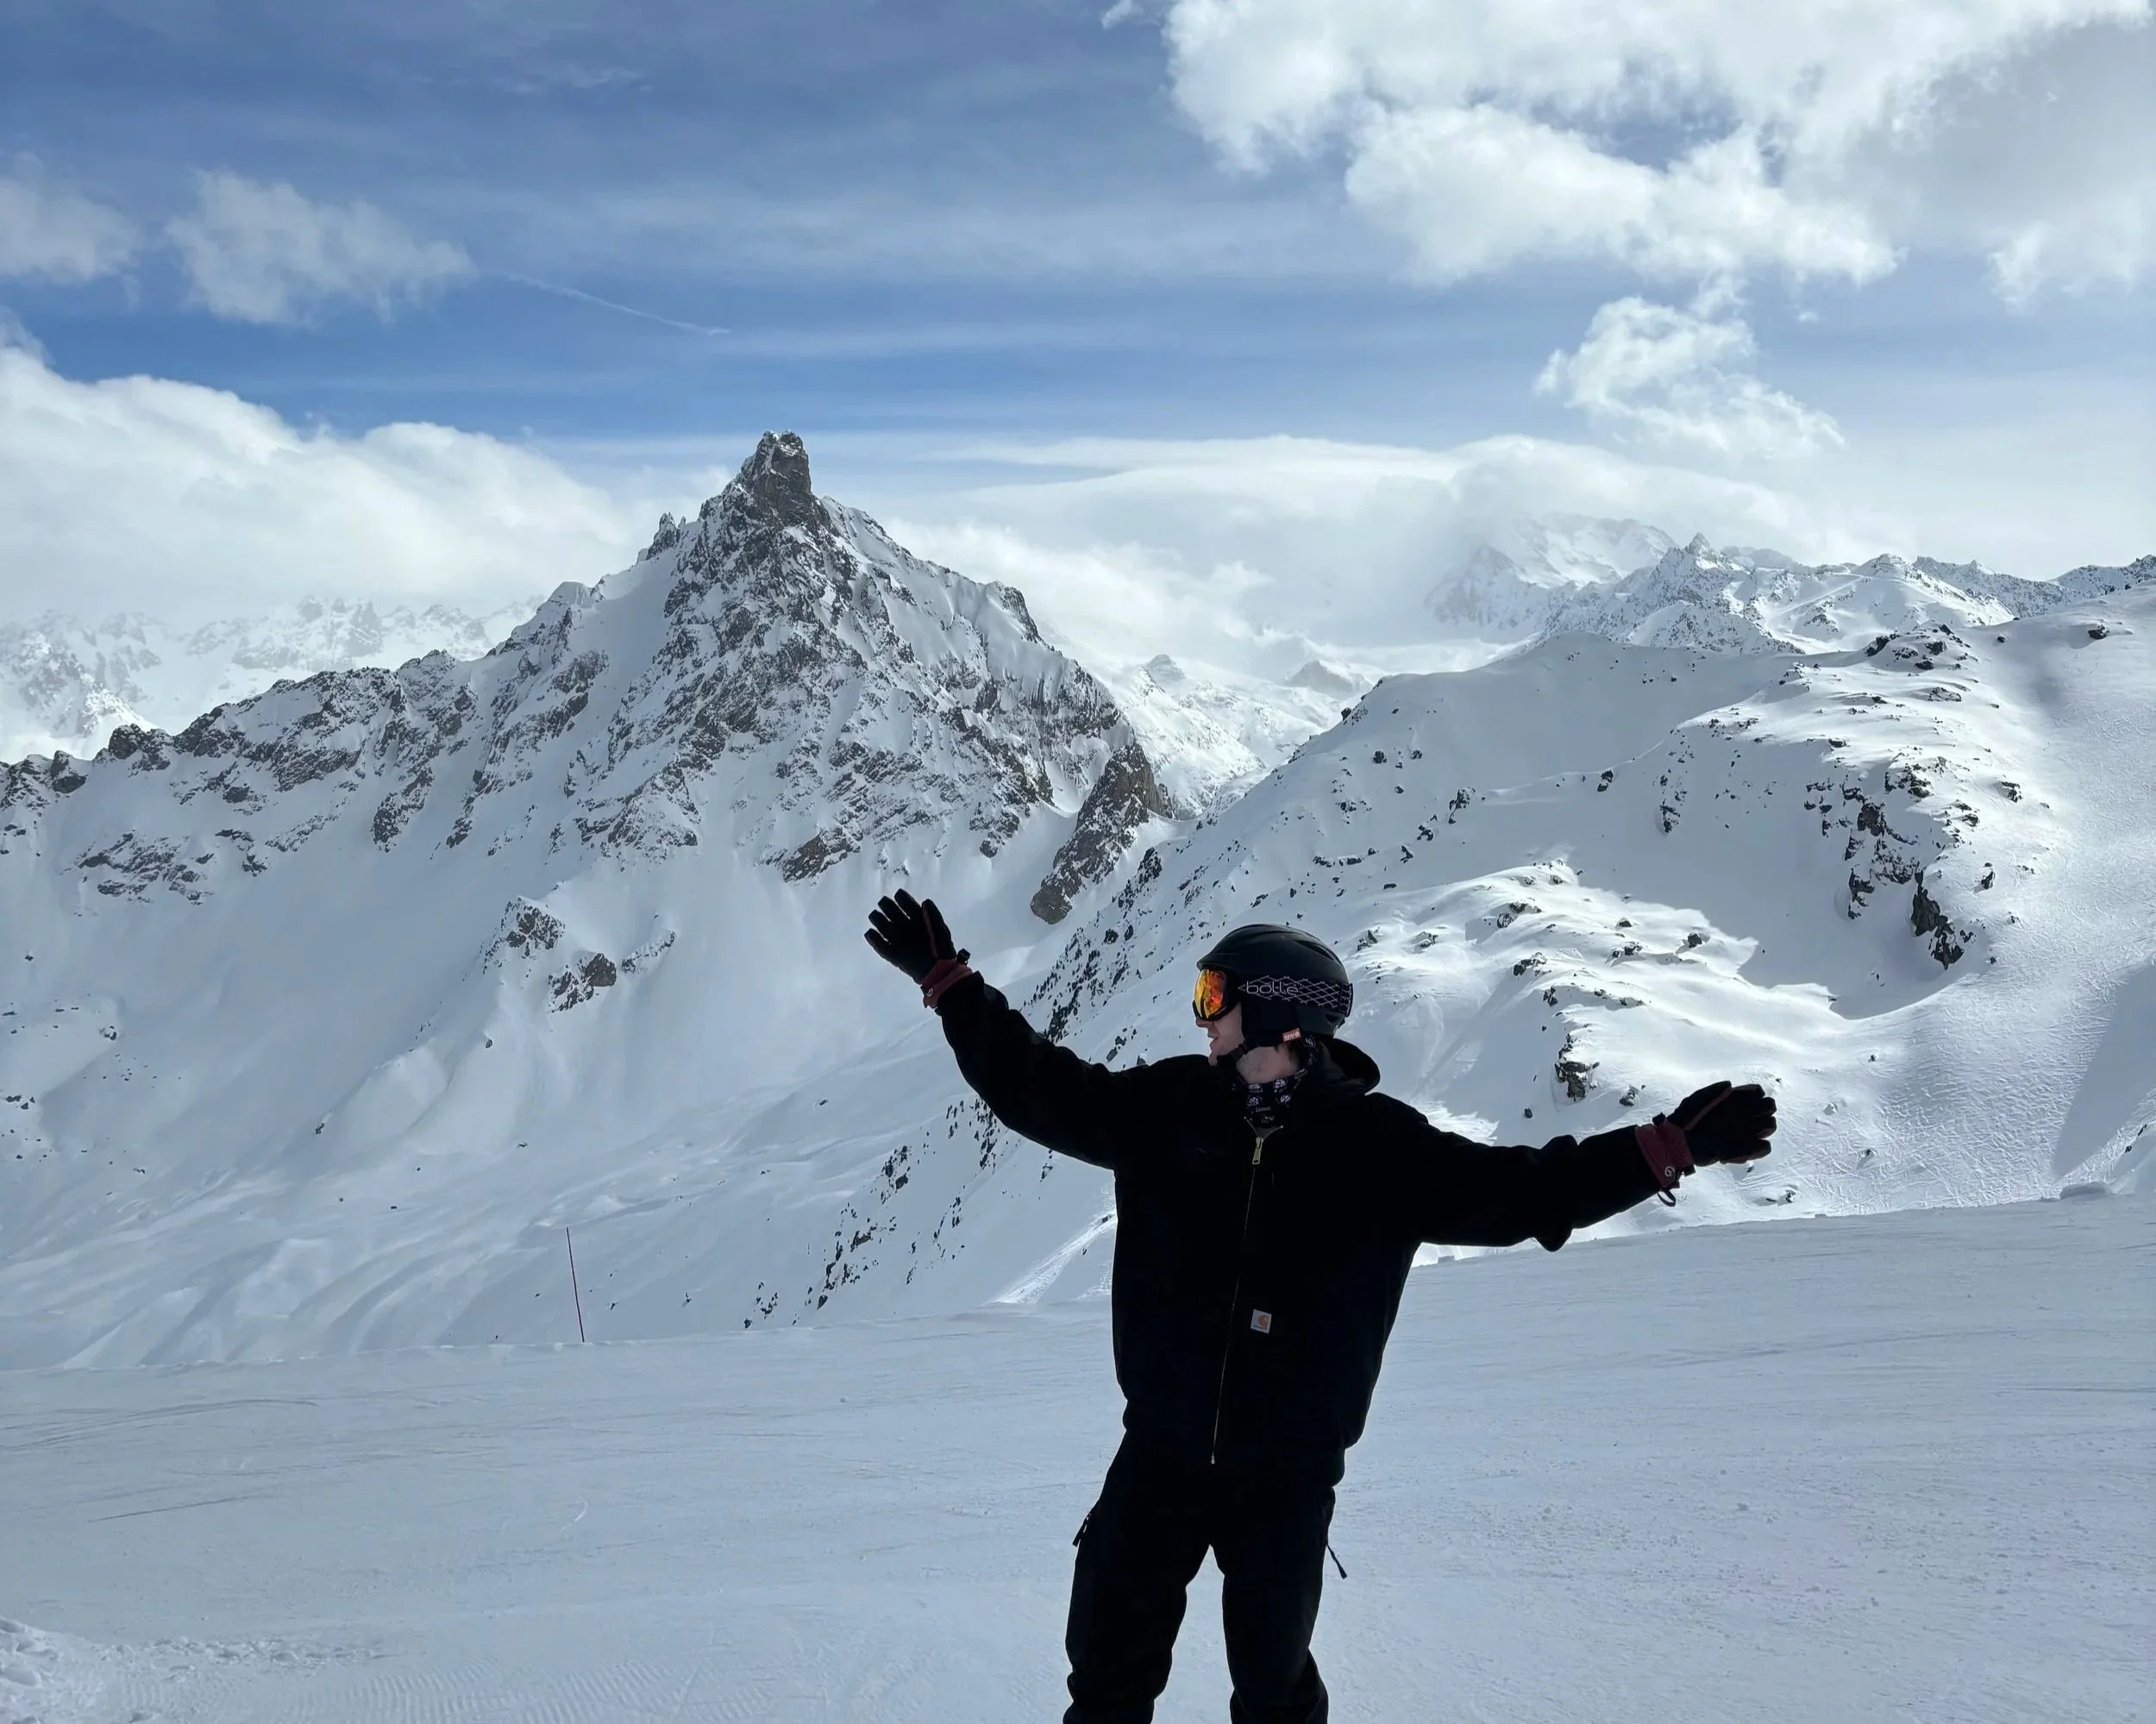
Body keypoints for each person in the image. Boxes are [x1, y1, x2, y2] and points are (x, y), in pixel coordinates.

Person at [865, 890, 1775, 1724]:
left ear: (1279, 1013)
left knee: (1271, 1685)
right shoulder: (1168, 1105)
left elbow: (1527, 1191)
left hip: (1285, 1475)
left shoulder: (1378, 1148)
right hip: (1161, 1451)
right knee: (1105, 1670)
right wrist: (950, 987)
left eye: (1214, 994)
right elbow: (1038, 1086)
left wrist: (1662, 1149)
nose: (1202, 1015)